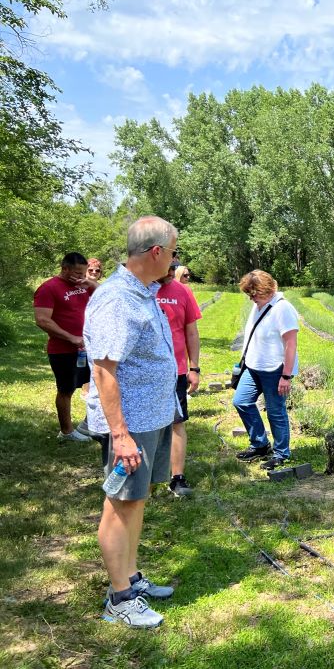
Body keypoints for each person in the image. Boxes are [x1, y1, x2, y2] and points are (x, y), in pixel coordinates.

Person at [84, 216, 181, 628]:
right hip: (132, 423)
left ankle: (131, 577)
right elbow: (104, 370)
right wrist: (120, 435)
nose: (176, 260)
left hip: (152, 417)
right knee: (120, 504)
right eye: (174, 252)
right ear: (156, 252)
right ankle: (119, 598)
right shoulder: (117, 299)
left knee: (136, 501)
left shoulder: (143, 292)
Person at [232, 270, 300, 470]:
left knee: (275, 411)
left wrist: (285, 376)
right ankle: (260, 444)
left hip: (275, 369)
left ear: (267, 289)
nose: (251, 298)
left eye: (254, 293)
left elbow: (291, 344)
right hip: (254, 366)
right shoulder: (259, 306)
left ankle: (281, 453)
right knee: (241, 401)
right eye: (249, 294)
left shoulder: (282, 308)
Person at [33, 252, 97, 440]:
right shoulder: (48, 288)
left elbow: (106, 297)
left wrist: (91, 283)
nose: (81, 277)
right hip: (63, 350)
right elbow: (42, 320)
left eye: (84, 273)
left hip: (87, 348)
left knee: (97, 385)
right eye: (77, 273)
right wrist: (71, 338)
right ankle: (67, 431)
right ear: (65, 268)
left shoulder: (84, 285)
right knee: (66, 389)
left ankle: (89, 424)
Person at [155, 262, 202, 496]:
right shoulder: (140, 289)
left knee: (177, 422)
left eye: (172, 272)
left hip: (176, 370)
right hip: (145, 372)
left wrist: (194, 367)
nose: (169, 276)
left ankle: (177, 477)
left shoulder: (182, 291)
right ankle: (145, 477)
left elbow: (191, 331)